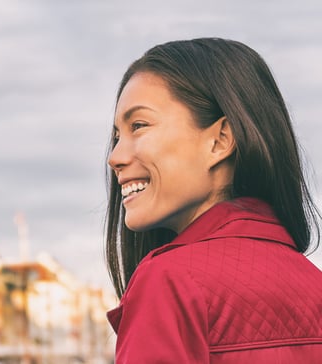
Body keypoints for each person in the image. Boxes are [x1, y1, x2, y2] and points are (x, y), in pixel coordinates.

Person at [105, 37, 322, 363]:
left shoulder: (170, 282)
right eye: (117, 136)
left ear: (220, 140)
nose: (115, 157)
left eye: (139, 125)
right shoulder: (313, 284)